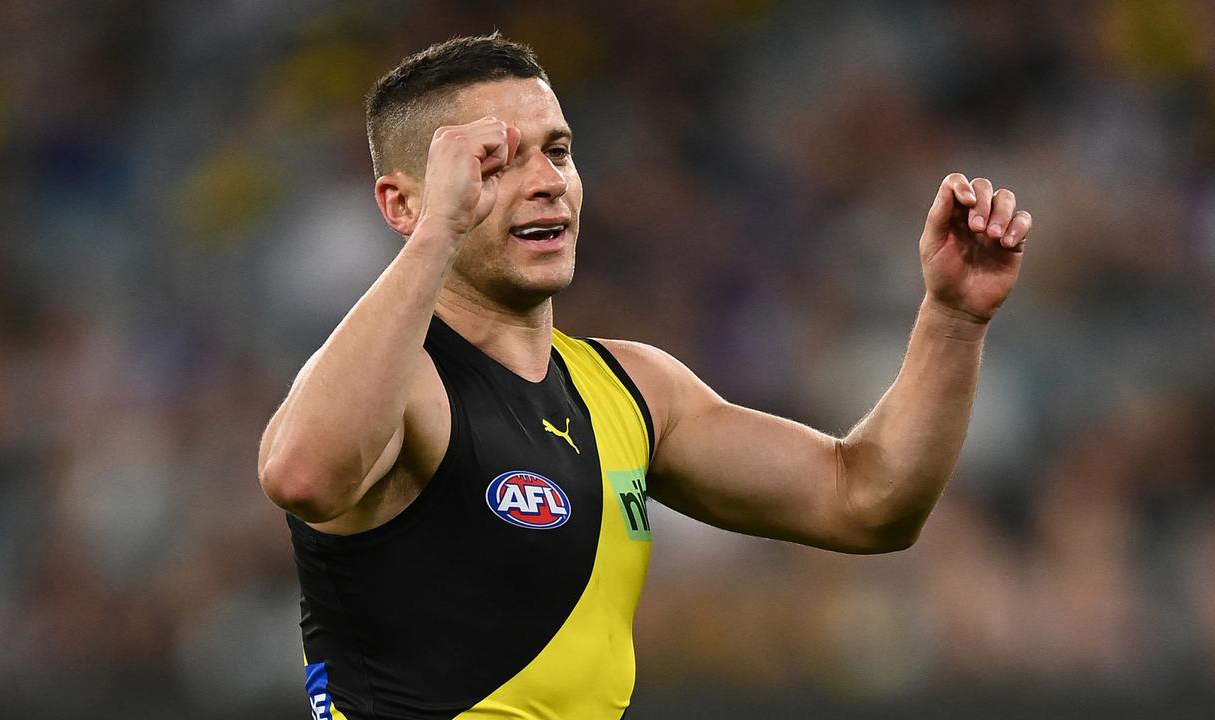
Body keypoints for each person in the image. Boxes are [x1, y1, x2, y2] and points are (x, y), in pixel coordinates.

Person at [257, 33, 1033, 720]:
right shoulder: (405, 385)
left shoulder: (634, 387)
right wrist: (439, 231)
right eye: (494, 163)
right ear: (402, 202)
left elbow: (867, 502)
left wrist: (954, 319)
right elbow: (304, 475)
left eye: (557, 151)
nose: (547, 180)